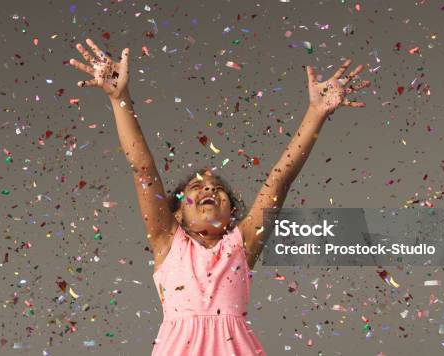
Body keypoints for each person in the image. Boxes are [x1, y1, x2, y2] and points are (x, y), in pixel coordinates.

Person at [69, 38, 370, 355]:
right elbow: (143, 170)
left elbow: (279, 181)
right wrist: (119, 99)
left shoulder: (241, 245)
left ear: (231, 214)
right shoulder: (167, 243)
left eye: (217, 188)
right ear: (176, 214)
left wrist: (316, 113)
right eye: (195, 189)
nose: (209, 189)